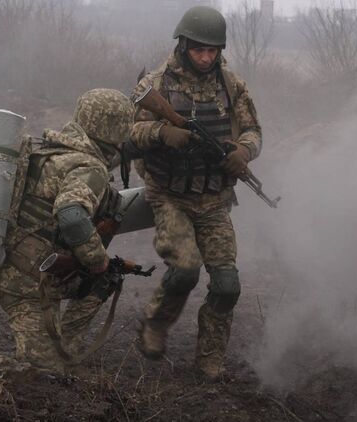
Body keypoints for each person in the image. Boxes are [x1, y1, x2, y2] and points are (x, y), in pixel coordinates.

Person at [0, 88, 135, 373]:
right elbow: (71, 215)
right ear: (116, 131)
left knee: (103, 282)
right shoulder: (89, 167)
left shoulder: (48, 151)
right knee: (38, 377)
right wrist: (97, 260)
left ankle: (62, 348)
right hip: (29, 285)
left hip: (19, 267)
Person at [130, 5, 263, 380]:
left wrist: (243, 151)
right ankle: (156, 324)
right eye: (199, 49)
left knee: (227, 285)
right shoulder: (156, 84)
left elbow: (253, 131)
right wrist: (162, 132)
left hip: (214, 198)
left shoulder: (232, 86)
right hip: (169, 195)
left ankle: (210, 357)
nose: (205, 57)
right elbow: (132, 133)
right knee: (186, 270)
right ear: (184, 45)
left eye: (212, 50)